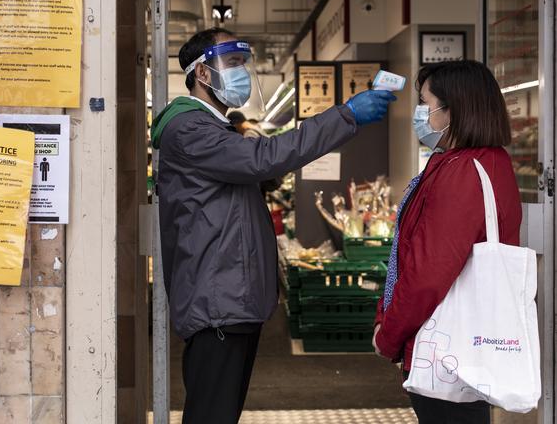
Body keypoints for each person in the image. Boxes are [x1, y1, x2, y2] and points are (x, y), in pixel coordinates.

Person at [151, 27, 396, 424]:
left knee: (220, 412)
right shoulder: (189, 129)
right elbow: (263, 159)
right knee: (211, 414)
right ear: (203, 73)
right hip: (218, 302)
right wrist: (346, 115)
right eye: (232, 63)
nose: (242, 72)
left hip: (230, 297)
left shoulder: (215, 127)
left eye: (242, 63)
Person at [372, 60, 521, 424]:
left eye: (425, 104)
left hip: (446, 348)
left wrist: (388, 335)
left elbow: (427, 272)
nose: (420, 115)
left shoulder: (462, 172)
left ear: (452, 110)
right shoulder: (483, 161)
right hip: (462, 342)